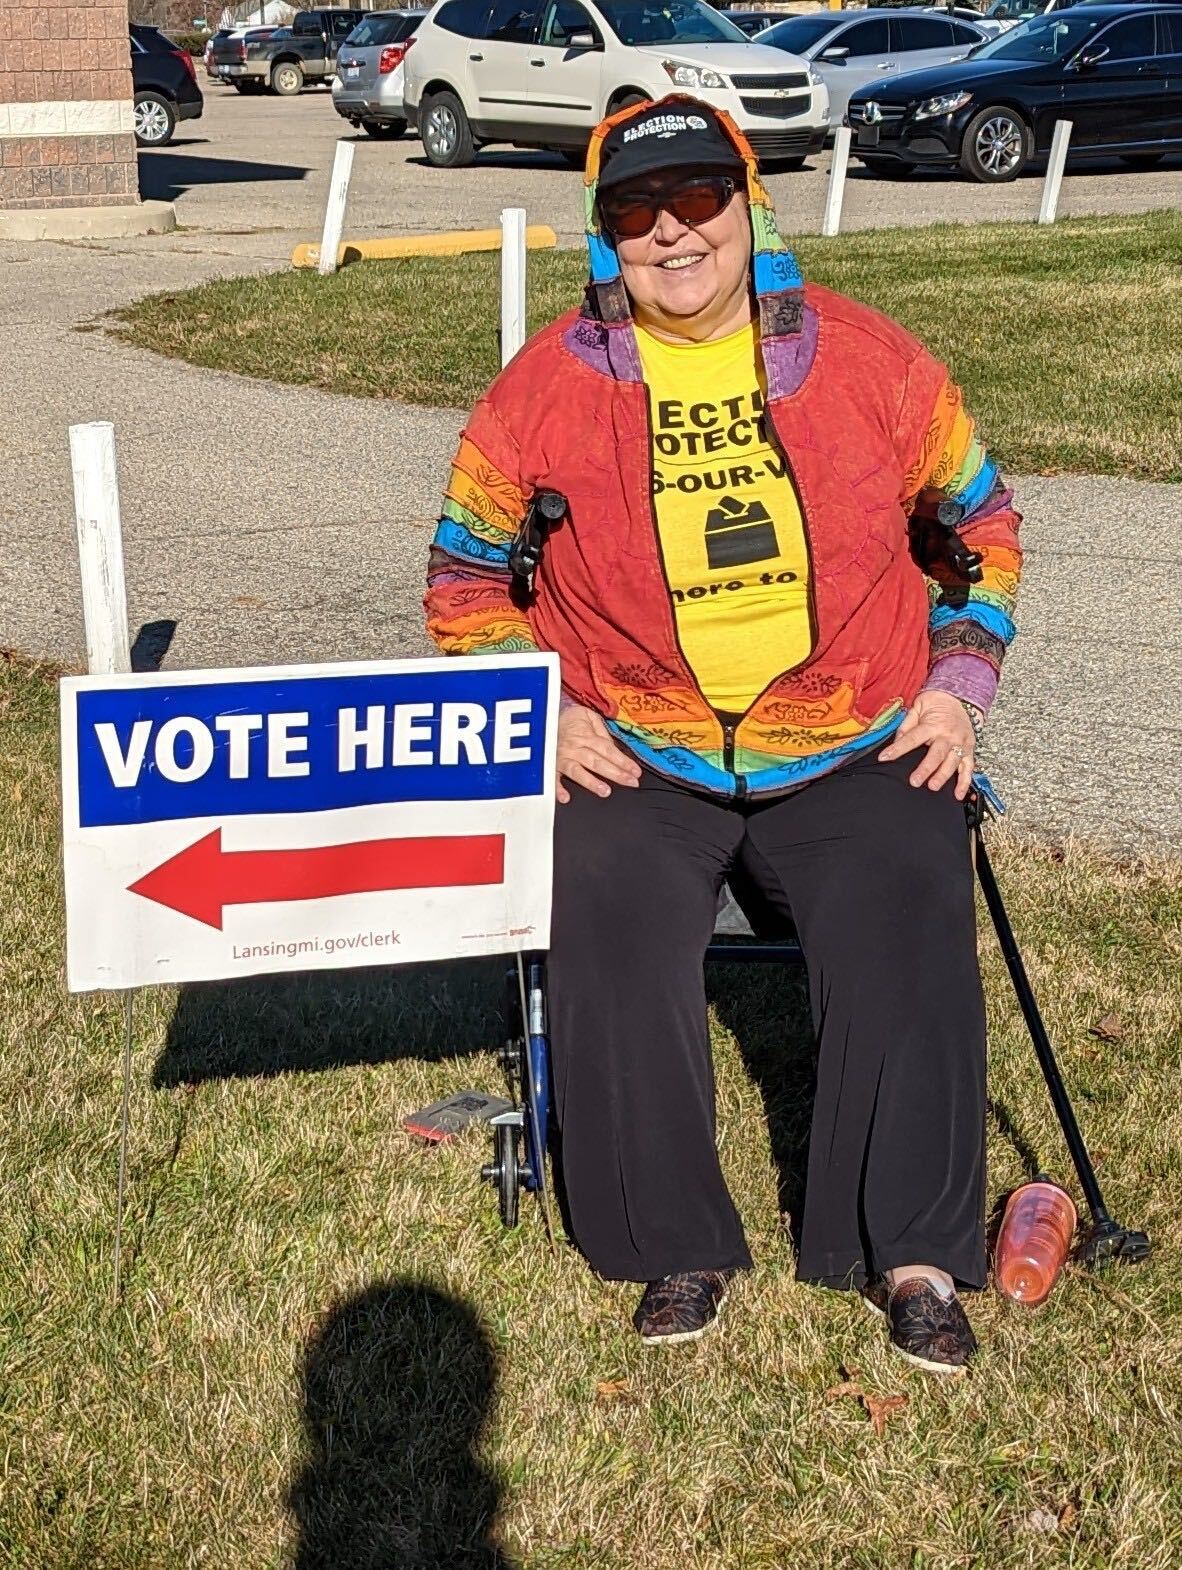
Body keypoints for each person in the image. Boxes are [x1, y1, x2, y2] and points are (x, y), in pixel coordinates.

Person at [424, 97, 1022, 1375]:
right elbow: (464, 580)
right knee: (600, 886)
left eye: (699, 199)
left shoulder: (875, 361)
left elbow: (983, 525)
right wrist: (549, 714)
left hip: (848, 730)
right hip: (639, 742)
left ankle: (910, 1250)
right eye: (637, 212)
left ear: (751, 203)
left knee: (912, 869)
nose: (672, 233)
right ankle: (668, 1241)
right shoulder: (541, 388)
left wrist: (957, 682)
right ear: (605, 236)